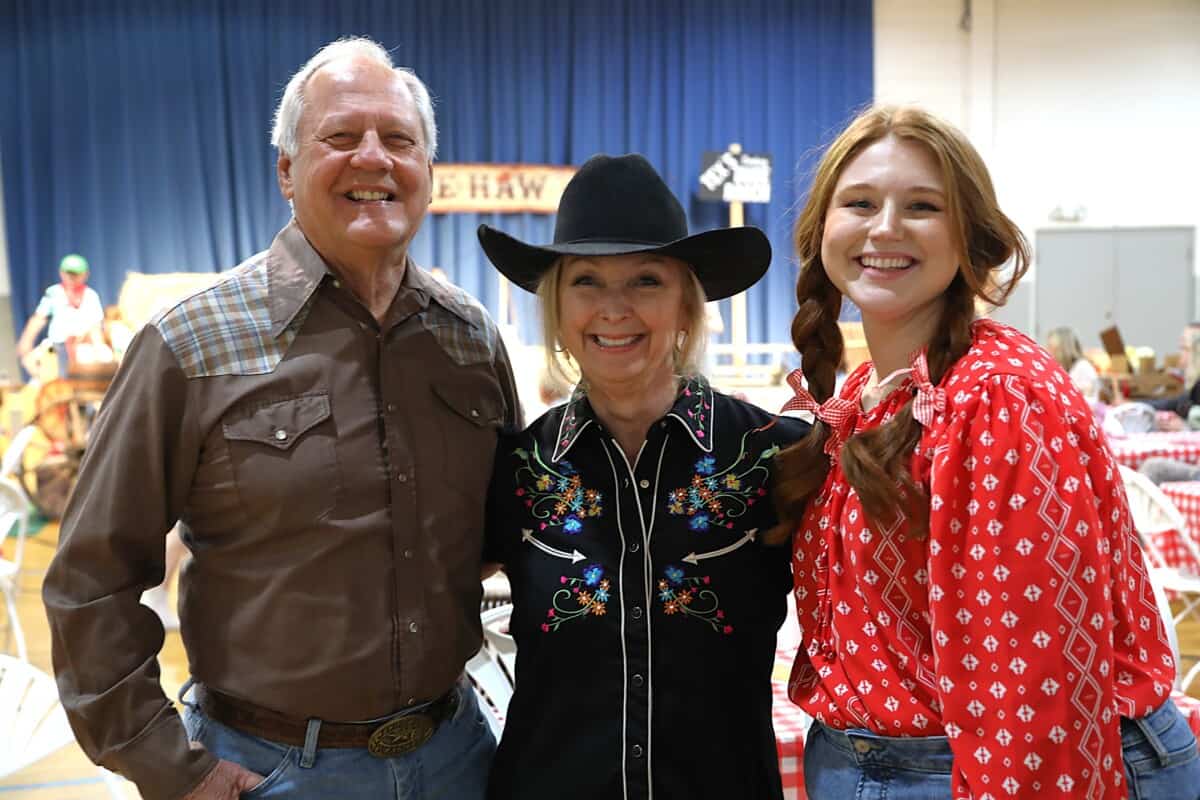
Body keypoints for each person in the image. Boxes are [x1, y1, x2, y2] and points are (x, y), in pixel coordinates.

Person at [43, 37, 520, 800]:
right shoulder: (188, 345)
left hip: (457, 756)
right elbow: (89, 581)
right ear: (286, 173)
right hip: (269, 773)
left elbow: (503, 538)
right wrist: (167, 765)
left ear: (428, 174)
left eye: (400, 140)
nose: (374, 157)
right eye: (340, 137)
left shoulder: (468, 340)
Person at [771, 105, 1197, 799]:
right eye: (860, 203)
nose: (885, 227)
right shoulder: (868, 392)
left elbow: (1033, 680)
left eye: (922, 207)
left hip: (990, 770)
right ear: (822, 230)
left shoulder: (995, 397)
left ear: (970, 237)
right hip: (899, 763)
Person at [477, 153, 809, 799]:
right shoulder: (514, 470)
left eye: (646, 281)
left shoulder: (777, 456)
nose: (614, 307)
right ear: (557, 306)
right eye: (587, 281)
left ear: (687, 301)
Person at [15, 253, 106, 378]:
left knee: (100, 361)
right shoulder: (53, 293)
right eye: (69, 273)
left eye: (76, 274)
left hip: (81, 346)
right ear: (61, 273)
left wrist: (99, 347)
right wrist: (26, 341)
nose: (72, 278)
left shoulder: (91, 296)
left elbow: (95, 327)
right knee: (31, 361)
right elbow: (39, 318)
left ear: (85, 274)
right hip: (56, 346)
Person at [1045, 325, 1103, 402]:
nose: (1047, 351)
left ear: (1063, 350)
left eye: (1051, 348)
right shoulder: (1065, 368)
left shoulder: (1083, 367)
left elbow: (1089, 400)